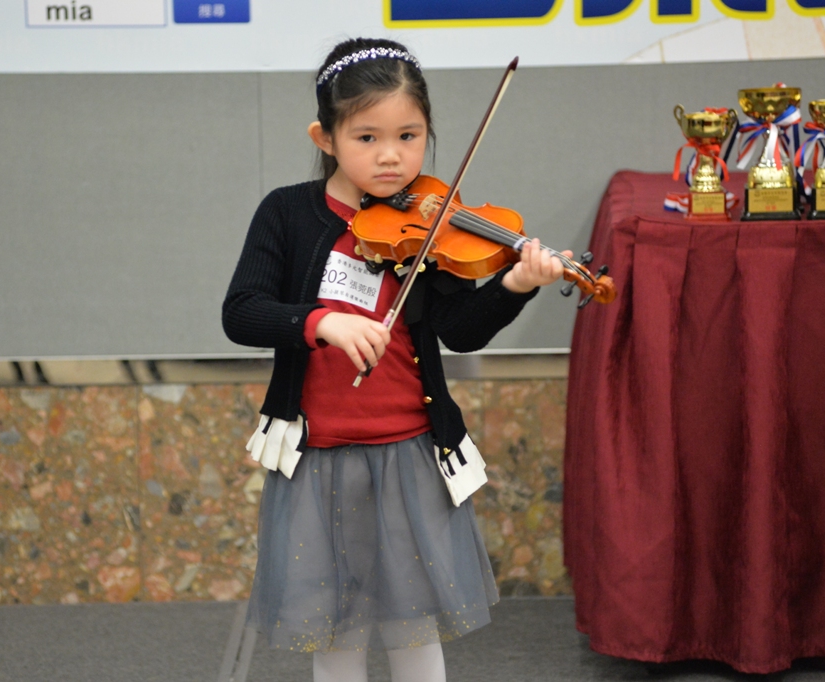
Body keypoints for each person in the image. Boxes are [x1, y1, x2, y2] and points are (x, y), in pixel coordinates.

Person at [222, 37, 570, 682]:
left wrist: (515, 284)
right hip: (319, 456)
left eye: (409, 136)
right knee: (337, 631)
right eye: (367, 137)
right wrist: (320, 322)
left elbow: (460, 332)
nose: (391, 155)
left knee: (414, 629)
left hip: (410, 452)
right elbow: (241, 311)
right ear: (325, 138)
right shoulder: (287, 214)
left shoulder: (435, 226)